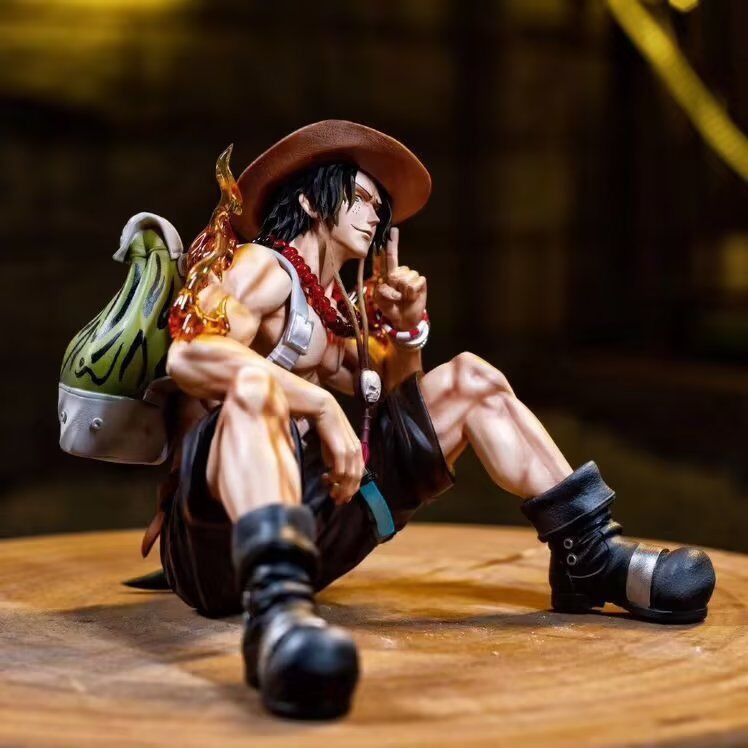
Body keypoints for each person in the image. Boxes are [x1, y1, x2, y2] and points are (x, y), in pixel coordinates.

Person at [156, 120, 715, 720]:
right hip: (223, 544)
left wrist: (405, 331)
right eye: (361, 197)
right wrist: (318, 405)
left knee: (471, 380)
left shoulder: (335, 304)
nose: (374, 214)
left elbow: (397, 402)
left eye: (380, 206)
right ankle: (275, 620)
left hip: (316, 519)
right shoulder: (263, 267)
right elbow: (189, 355)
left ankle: (591, 557)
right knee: (254, 391)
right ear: (311, 202)